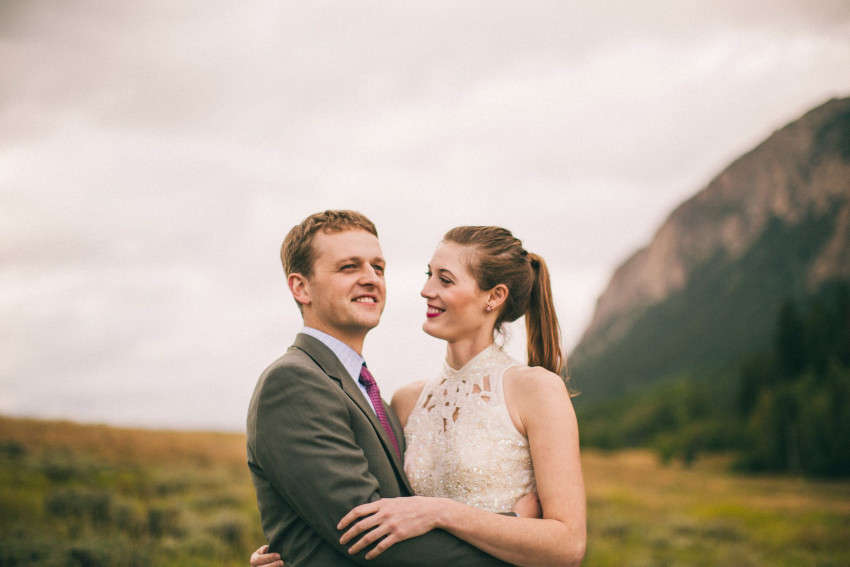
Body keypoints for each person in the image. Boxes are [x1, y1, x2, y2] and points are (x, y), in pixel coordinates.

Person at [251, 218, 586, 566]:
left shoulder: (537, 389)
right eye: (429, 275)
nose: (426, 289)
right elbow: (373, 525)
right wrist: (296, 552)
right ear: (301, 288)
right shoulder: (406, 401)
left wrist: (442, 512)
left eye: (445, 279)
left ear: (494, 296)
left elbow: (568, 544)